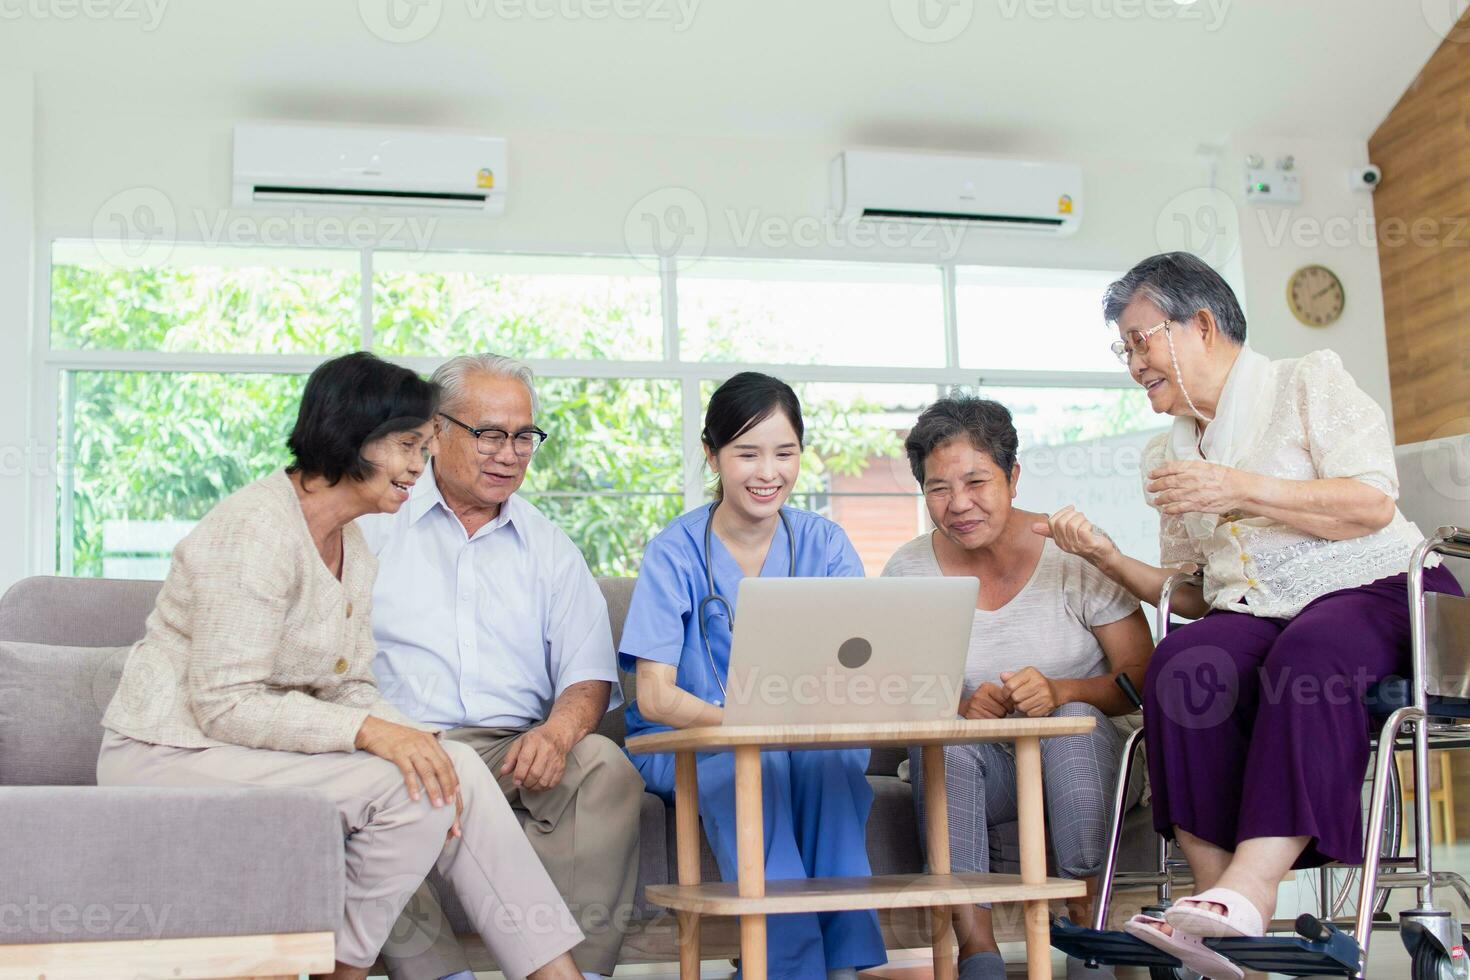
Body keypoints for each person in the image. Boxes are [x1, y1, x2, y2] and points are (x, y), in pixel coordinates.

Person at [1034, 252, 1464, 980]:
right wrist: (1108, 556)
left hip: (1384, 589)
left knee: (1310, 649)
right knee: (1182, 663)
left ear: (1201, 325)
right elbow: (1198, 591)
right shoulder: (1165, 450)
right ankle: (1212, 913)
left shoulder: (1306, 383)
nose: (1132, 361)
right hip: (1265, 613)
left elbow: (1371, 504)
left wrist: (1236, 485)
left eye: (1141, 339)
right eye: (1125, 347)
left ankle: (1251, 889)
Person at [96, 352, 585, 980]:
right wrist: (372, 734)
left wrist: (417, 740)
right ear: (352, 439)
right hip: (167, 752)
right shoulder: (254, 531)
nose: (420, 463)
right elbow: (224, 703)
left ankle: (556, 976)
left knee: (450, 767)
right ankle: (340, 974)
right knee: (415, 792)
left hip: (242, 750)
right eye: (409, 445)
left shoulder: (350, 540)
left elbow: (350, 682)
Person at [358, 354, 642, 980]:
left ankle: (582, 972)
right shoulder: (374, 525)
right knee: (357, 797)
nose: (509, 453)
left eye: (523, 437)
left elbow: (587, 675)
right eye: (489, 433)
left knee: (605, 768)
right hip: (399, 748)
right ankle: (439, 974)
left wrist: (558, 733)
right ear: (436, 429)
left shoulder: (550, 546)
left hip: (507, 752)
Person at [617, 372, 887, 980]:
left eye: (784, 453)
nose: (768, 471)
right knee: (752, 762)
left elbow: (858, 666)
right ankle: (786, 968)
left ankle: (843, 967)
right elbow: (657, 697)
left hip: (799, 731)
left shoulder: (827, 544)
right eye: (747, 453)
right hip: (696, 739)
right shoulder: (674, 551)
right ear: (712, 455)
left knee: (833, 762)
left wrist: (794, 722)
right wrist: (750, 723)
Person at [883, 395, 1153, 980]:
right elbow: (898, 691)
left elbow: (1142, 680)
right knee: (945, 736)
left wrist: (1062, 691)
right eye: (937, 488)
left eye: (977, 481)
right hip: (991, 769)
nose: (959, 505)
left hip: (1090, 755)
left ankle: (1091, 932)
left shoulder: (1072, 555)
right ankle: (977, 949)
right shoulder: (908, 571)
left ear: (1013, 476)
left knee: (1068, 725)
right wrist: (961, 706)